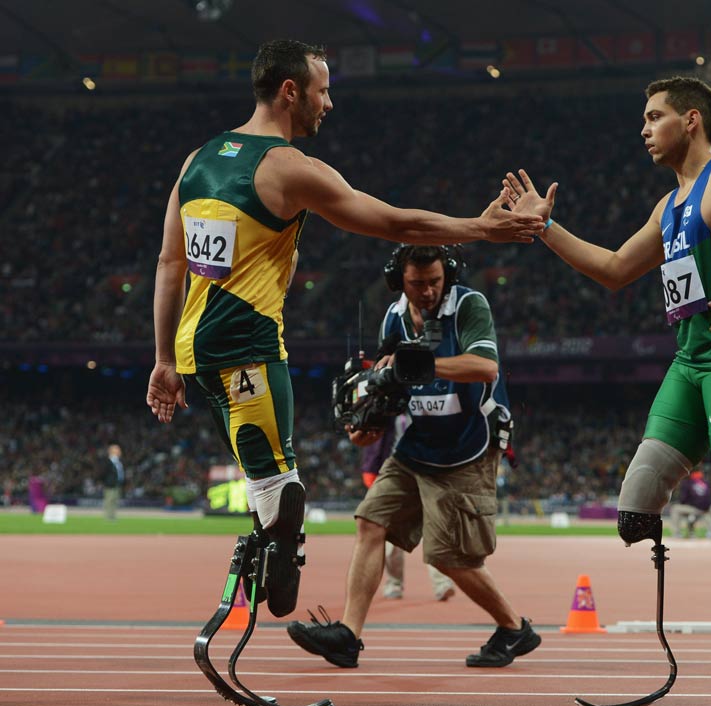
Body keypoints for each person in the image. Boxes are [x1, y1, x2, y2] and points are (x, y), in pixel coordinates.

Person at [144, 40, 544, 620]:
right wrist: (479, 228)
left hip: (192, 356)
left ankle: (270, 558)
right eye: (322, 90)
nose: (328, 103)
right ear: (290, 91)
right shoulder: (287, 168)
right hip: (248, 353)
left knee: (267, 485)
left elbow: (169, 264)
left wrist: (162, 360)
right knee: (280, 489)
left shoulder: (197, 159)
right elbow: (392, 222)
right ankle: (271, 578)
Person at [502, 74, 711, 564]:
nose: (644, 130)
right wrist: (545, 226)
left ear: (691, 120)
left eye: (655, 117)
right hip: (689, 358)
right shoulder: (668, 207)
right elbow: (614, 270)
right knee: (634, 510)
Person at [287, 244, 540, 668]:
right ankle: (348, 636)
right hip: (418, 441)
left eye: (435, 282)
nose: (427, 291)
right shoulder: (394, 316)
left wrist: (416, 365)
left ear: (449, 276)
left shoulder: (469, 305)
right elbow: (391, 381)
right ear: (398, 281)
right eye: (416, 283)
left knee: (447, 557)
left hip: (468, 446)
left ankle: (515, 629)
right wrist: (370, 422)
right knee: (370, 522)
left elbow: (485, 367)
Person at [361, 414, 456, 601]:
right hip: (396, 475)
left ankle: (442, 583)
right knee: (390, 537)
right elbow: (375, 444)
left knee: (434, 532)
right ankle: (394, 583)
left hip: (428, 471)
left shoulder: (426, 405)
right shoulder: (391, 409)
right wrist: (372, 472)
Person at [668, 468, 711, 538]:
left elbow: (683, 499)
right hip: (708, 508)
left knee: (675, 508)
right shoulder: (705, 482)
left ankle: (677, 534)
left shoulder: (687, 482)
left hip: (696, 509)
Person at [100, 443, 125, 521]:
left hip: (117, 484)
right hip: (110, 485)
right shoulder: (108, 461)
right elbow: (103, 473)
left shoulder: (118, 462)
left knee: (115, 501)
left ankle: (113, 516)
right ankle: (108, 517)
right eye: (117, 450)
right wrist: (106, 482)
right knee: (109, 501)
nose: (120, 451)